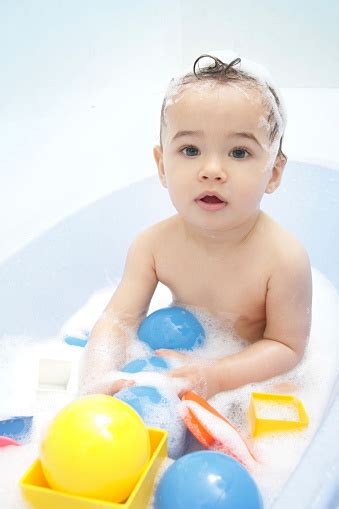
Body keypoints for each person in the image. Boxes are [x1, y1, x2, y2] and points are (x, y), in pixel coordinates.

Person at [80, 52, 312, 400]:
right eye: (190, 150)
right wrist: (97, 379)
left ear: (273, 173)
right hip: (180, 365)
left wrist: (217, 376)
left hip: (248, 382)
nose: (212, 170)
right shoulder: (153, 245)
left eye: (238, 152)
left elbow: (286, 347)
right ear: (161, 165)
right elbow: (116, 321)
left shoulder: (283, 259)